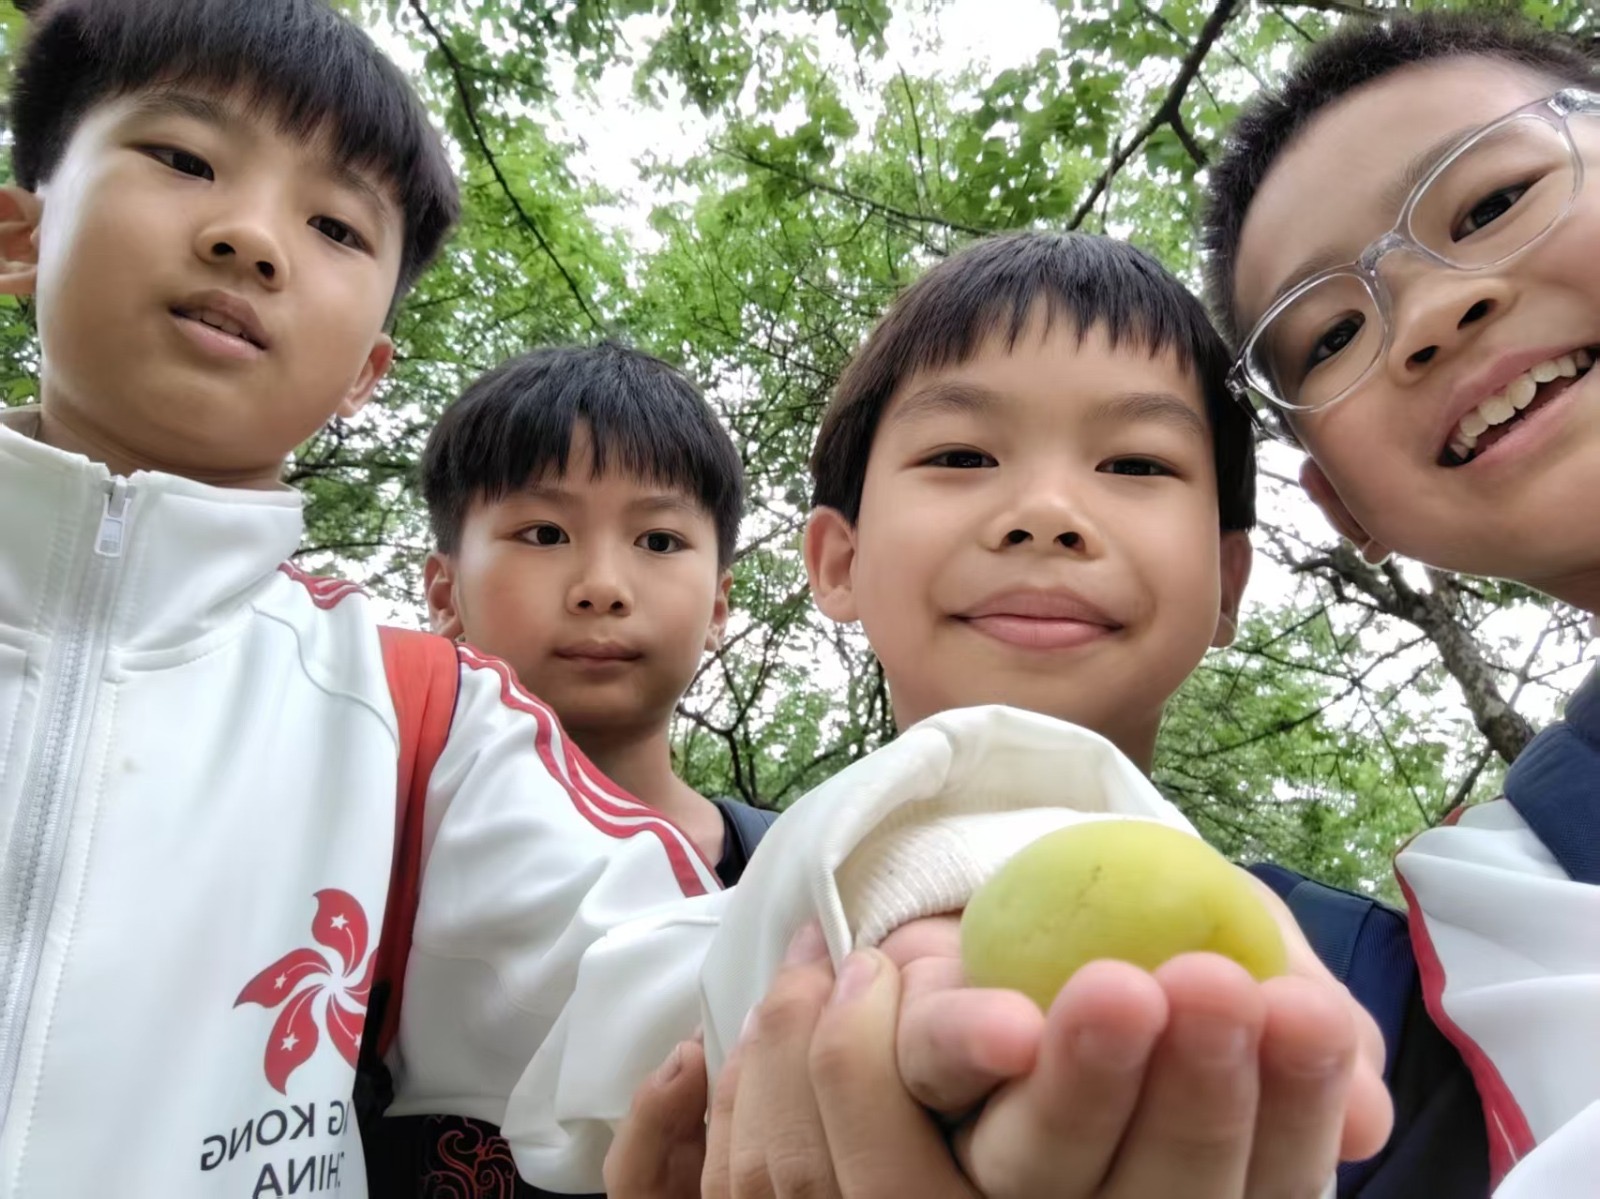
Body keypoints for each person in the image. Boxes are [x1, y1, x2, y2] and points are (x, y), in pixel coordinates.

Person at [0, 2, 1201, 1192]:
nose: (251, 237)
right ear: (20, 237)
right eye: (183, 158)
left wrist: (923, 914)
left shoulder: (420, 722)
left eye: (333, 225)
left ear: (368, 367)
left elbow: (659, 983)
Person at [600, 231, 1396, 1199]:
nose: (1046, 511)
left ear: (1227, 583)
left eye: (1136, 464)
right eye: (962, 454)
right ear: (839, 562)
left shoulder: (1378, 981)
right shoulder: (661, 946)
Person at [1200, 11, 1600, 1196]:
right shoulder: (1512, 894)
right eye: (1331, 335)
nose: (1429, 314)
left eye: (1491, 203)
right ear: (1348, 509)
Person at [364, 343, 778, 1197]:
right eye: (544, 533)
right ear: (442, 591)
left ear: (719, 606)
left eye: (659, 539)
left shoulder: (785, 875)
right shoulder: (364, 858)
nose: (602, 586)